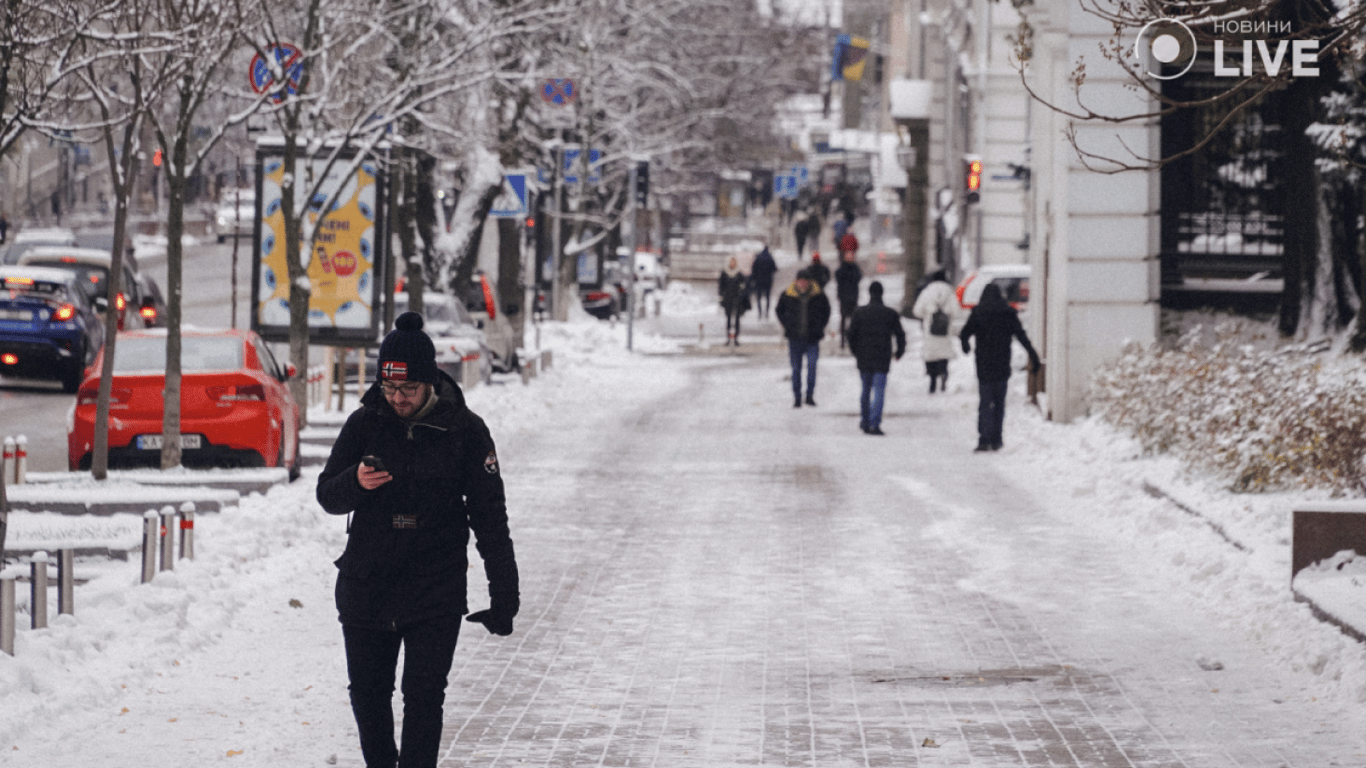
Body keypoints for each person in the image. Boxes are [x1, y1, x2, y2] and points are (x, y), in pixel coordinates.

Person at [317, 311, 520, 768]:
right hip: (368, 584)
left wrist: (505, 591)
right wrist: (356, 481)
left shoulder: (465, 431)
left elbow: (490, 516)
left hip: (435, 586)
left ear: (430, 381)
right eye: (389, 389)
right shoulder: (364, 423)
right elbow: (327, 494)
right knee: (369, 698)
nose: (397, 399)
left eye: (407, 389)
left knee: (424, 697)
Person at [959, 283, 1040, 452]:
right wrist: (1033, 356)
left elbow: (965, 333)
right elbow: (1021, 336)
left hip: (983, 364)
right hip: (1002, 363)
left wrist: (965, 346)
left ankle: (983, 439)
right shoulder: (1008, 314)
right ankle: (997, 439)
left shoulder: (978, 312)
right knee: (999, 403)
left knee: (985, 402)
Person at [846, 281, 906, 435]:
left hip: (864, 356)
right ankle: (875, 423)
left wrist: (855, 351)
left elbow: (851, 334)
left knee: (865, 389)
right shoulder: (890, 313)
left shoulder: (859, 313)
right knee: (879, 390)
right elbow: (900, 334)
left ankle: (865, 421)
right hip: (882, 357)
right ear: (882, 293)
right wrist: (899, 352)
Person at [776, 268, 831, 407]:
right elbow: (779, 310)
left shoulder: (818, 295)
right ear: (797, 281)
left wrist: (820, 325)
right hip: (795, 338)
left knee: (812, 367)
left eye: (805, 281)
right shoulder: (788, 294)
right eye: (800, 281)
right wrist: (786, 323)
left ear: (809, 281)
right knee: (796, 369)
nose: (803, 284)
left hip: (813, 338)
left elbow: (826, 310)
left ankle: (810, 396)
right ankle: (797, 397)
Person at [911, 269, 957, 393]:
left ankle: (932, 380)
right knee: (944, 353)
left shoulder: (927, 292)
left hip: (930, 329)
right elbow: (956, 310)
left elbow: (917, 311)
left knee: (931, 355)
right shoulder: (950, 292)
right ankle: (943, 372)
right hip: (945, 329)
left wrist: (927, 315)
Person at [833, 250, 863, 349]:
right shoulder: (842, 268)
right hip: (843, 297)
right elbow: (838, 277)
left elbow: (858, 277)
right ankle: (842, 339)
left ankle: (853, 337)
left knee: (854, 318)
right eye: (848, 257)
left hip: (854, 296)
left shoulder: (855, 268)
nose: (850, 259)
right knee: (843, 318)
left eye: (851, 257)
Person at [718, 255, 749, 345]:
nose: (733, 263)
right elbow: (721, 286)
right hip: (728, 298)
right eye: (731, 261)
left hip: (737, 299)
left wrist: (741, 291)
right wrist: (721, 296)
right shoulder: (724, 272)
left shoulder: (739, 273)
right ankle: (728, 338)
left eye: (734, 261)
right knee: (728, 318)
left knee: (737, 319)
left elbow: (743, 285)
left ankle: (735, 338)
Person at [749, 243, 778, 319]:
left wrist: (753, 279)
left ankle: (760, 313)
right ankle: (767, 313)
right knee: (768, 297)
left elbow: (753, 269)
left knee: (758, 297)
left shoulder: (758, 258)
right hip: (768, 281)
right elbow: (775, 269)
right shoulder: (770, 258)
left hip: (758, 280)